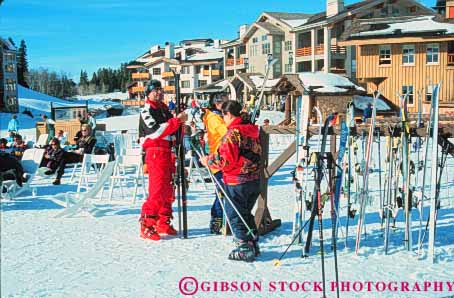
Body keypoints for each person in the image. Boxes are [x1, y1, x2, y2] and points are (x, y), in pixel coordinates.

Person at [200, 100, 262, 262]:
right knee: (245, 213)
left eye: (223, 116)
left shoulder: (233, 133)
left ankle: (244, 246)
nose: (223, 119)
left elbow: (226, 160)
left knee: (234, 214)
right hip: (253, 179)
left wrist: (209, 161)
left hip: (237, 180)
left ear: (228, 114)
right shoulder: (251, 130)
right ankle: (252, 242)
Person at [138, 79, 188, 241]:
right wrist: (176, 121)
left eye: (161, 90)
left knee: (169, 190)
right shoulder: (146, 110)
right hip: (155, 152)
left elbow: (171, 132)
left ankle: (162, 220)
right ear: (148, 93)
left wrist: (180, 128)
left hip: (168, 152)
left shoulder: (165, 110)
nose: (159, 93)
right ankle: (146, 224)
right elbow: (156, 131)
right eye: (155, 91)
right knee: (158, 190)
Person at [202, 94, 228, 234]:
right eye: (225, 101)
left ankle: (220, 217)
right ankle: (217, 219)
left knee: (223, 190)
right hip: (218, 159)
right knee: (222, 191)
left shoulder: (218, 116)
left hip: (222, 158)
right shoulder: (214, 118)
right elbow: (226, 131)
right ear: (217, 104)